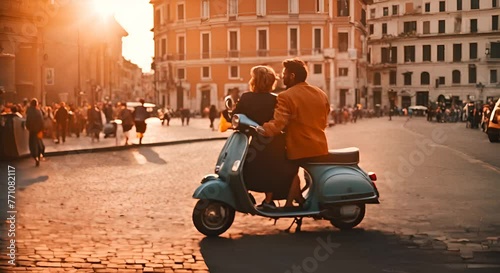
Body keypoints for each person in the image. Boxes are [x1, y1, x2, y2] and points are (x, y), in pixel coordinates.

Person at [257, 58, 330, 208]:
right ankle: (296, 200)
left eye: (284, 74)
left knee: (276, 165)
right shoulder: (320, 94)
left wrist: (261, 129)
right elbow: (324, 121)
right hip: (319, 147)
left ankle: (282, 203)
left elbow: (278, 124)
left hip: (299, 148)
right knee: (291, 168)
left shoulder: (286, 96)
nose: (282, 76)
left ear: (292, 76)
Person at [233, 66, 299, 210]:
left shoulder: (246, 97)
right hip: (274, 141)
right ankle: (269, 201)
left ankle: (245, 193)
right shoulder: (277, 99)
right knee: (272, 169)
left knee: (244, 166)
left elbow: (235, 115)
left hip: (256, 139)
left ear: (254, 81)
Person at [25, 98, 45, 167]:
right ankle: (39, 155)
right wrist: (42, 129)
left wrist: (28, 127)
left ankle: (35, 156)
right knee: (39, 143)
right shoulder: (38, 111)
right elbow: (42, 121)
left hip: (32, 130)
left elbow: (27, 121)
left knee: (32, 144)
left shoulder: (29, 111)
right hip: (38, 130)